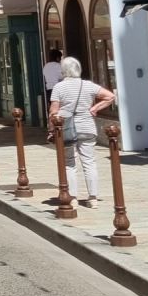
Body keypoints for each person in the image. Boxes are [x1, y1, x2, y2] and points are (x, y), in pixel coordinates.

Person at [49, 55, 116, 207]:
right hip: (87, 127)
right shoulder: (88, 85)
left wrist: (51, 128)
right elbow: (110, 96)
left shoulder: (59, 87)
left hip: (66, 128)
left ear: (63, 71)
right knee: (89, 162)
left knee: (69, 163)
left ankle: (72, 197)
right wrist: (94, 108)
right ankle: (93, 198)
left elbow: (53, 111)